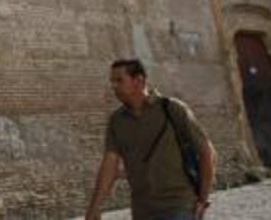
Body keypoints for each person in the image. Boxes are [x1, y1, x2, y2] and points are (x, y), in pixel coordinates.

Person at [84, 58, 217, 220]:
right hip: (143, 211)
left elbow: (206, 151)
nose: (114, 87)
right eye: (112, 82)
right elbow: (109, 165)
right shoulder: (117, 121)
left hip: (179, 206)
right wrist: (94, 208)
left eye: (119, 80)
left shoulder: (172, 109)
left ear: (138, 81)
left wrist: (203, 199)